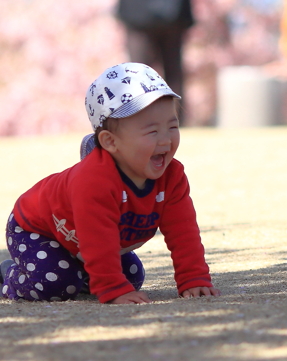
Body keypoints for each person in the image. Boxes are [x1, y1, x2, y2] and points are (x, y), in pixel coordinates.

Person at [1, 63, 218, 303]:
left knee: (132, 276)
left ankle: (76, 274)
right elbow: (97, 239)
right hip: (36, 229)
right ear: (110, 142)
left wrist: (194, 278)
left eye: (173, 126)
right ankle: (8, 277)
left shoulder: (172, 176)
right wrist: (113, 290)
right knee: (56, 282)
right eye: (152, 131)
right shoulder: (94, 181)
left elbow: (183, 231)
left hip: (86, 243)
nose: (166, 139)